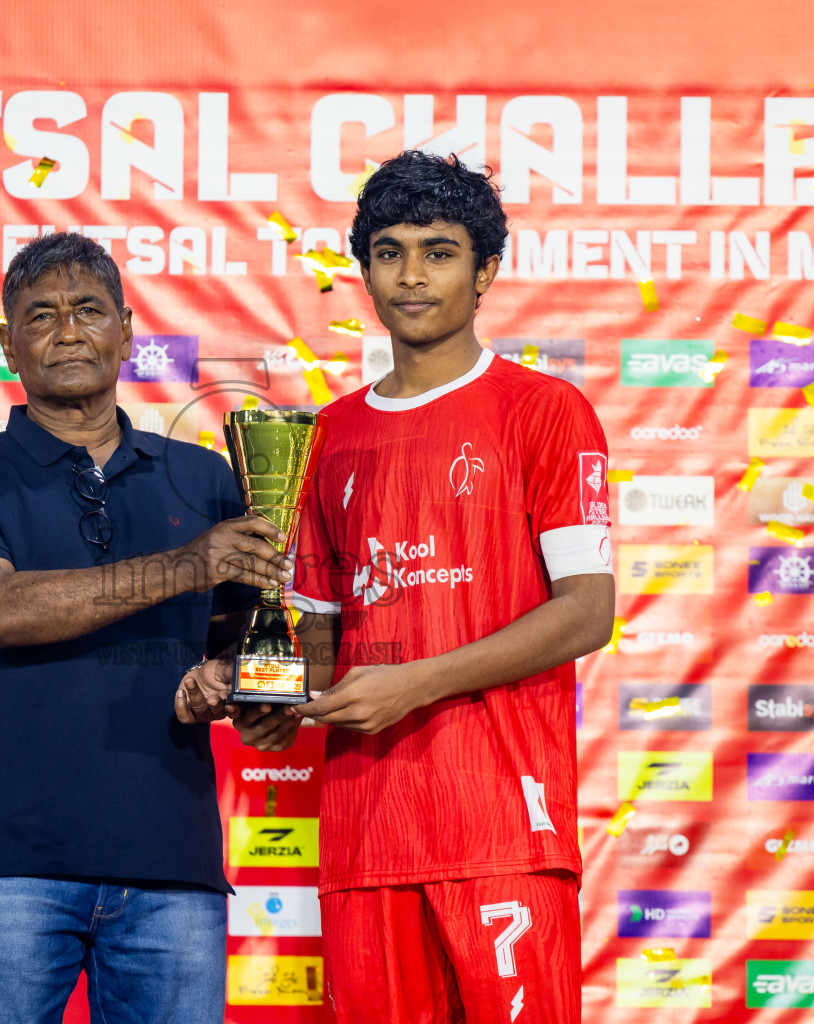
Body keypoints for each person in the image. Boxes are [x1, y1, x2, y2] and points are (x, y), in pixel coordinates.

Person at [204, 150, 616, 1022]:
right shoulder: (330, 436)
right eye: (388, 251)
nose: (412, 275)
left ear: (487, 271)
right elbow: (314, 633)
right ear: (364, 271)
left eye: (439, 250)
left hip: (504, 825)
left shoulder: (544, 411)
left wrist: (414, 683)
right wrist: (275, 698)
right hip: (366, 838)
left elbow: (587, 611)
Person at [0, 231, 287, 1024]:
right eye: (39, 316)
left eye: (88, 310)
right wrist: (189, 564)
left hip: (171, 866)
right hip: (9, 865)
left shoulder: (207, 475)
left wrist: (239, 686)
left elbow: (246, 643)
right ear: (5, 342)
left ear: (125, 326)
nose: (68, 331)